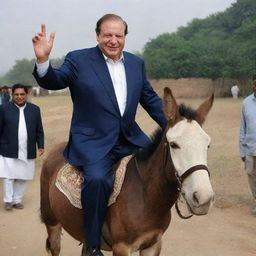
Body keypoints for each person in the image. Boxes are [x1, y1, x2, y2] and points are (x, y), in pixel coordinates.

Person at [32, 14, 167, 256]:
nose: (113, 40)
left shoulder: (136, 64)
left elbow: (150, 99)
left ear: (124, 37)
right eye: (107, 35)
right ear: (97, 36)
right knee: (97, 180)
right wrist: (43, 62)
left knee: (161, 167)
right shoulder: (79, 59)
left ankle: (153, 225)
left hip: (130, 138)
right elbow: (55, 80)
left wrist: (176, 123)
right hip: (92, 142)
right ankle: (93, 245)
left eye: (118, 35)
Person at [0, 83, 44, 211]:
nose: (19, 97)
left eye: (22, 94)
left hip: (27, 148)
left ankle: (17, 200)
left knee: (23, 176)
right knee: (8, 176)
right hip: (8, 147)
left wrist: (40, 145)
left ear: (26, 94)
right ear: (12, 95)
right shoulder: (3, 109)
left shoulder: (35, 109)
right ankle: (8, 201)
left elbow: (39, 130)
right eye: (16, 94)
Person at [239, 77, 256, 216]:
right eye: (255, 84)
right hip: (250, 149)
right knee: (251, 177)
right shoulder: (246, 103)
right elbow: (242, 129)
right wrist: (242, 151)